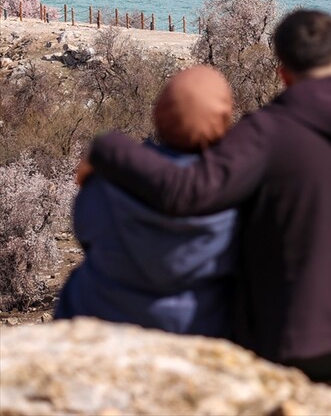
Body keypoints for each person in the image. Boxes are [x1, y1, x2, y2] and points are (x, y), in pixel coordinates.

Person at [84, 10, 331, 383]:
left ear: (284, 76)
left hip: (304, 341)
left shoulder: (269, 133)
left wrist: (108, 147)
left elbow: (185, 192)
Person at [56, 66, 238, 337]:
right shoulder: (235, 192)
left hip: (101, 320)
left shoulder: (108, 183)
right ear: (224, 119)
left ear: (159, 114)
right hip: (199, 325)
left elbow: (85, 233)